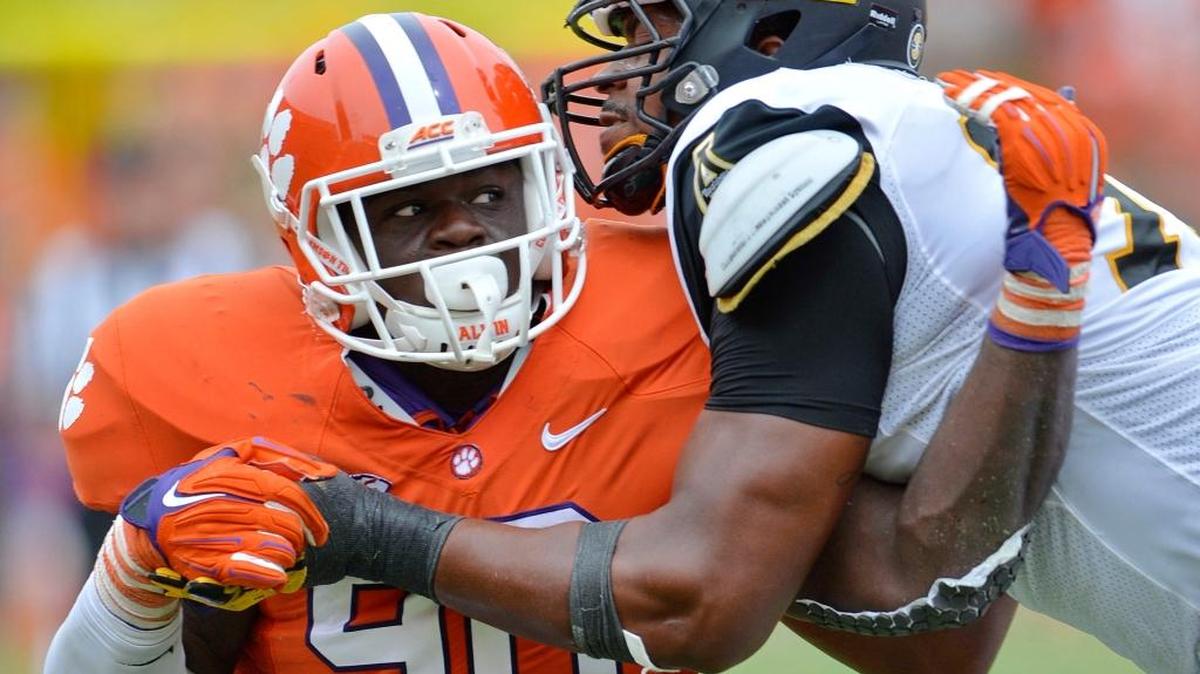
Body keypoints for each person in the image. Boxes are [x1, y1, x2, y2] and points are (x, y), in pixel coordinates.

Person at [44, 10, 1099, 674]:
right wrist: (134, 576)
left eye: (489, 189)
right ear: (315, 241)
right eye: (405, 208)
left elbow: (936, 638)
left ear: (547, 180)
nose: (462, 232)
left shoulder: (672, 311)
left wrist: (1034, 307)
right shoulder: (195, 370)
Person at [537, 1, 1199, 672]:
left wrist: (455, 530)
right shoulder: (889, 127)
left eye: (646, 32)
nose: (614, 77)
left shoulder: (771, 133)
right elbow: (941, 617)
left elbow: (711, 593)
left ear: (771, 34)